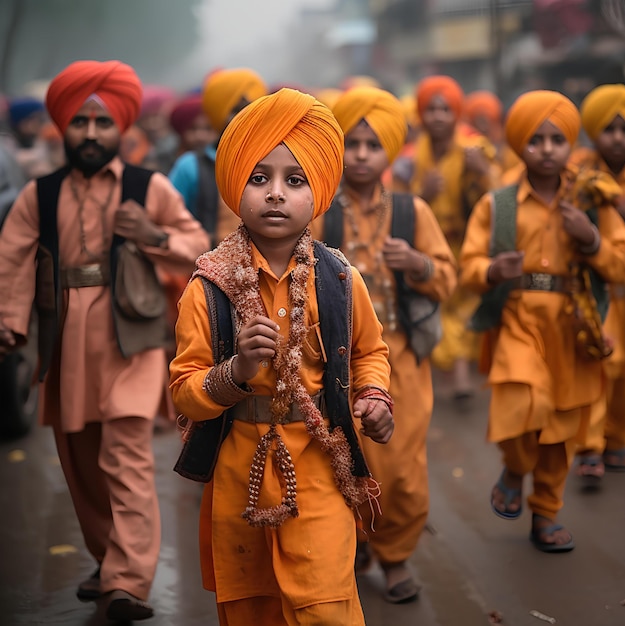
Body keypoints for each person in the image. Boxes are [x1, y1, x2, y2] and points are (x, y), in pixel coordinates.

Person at [169, 87, 394, 625]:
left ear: (317, 191)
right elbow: (185, 394)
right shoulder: (209, 287)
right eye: (259, 178)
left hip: (319, 470)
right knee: (254, 612)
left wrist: (375, 396)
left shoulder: (340, 278)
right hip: (236, 479)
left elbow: (370, 351)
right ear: (235, 187)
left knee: (326, 610)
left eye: (294, 181)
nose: (275, 194)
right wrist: (236, 372)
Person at [0, 60, 209, 621]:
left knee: (127, 456)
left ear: (122, 128)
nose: (91, 134)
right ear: (62, 129)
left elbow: (199, 246)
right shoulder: (37, 197)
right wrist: (9, 320)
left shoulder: (149, 187)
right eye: (79, 123)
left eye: (102, 123)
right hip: (64, 345)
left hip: (131, 345)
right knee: (81, 463)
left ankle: (127, 581)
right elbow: (12, 260)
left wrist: (154, 234)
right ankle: (110, 559)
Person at [459, 90, 625, 552]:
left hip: (574, 328)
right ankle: (514, 467)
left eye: (557, 139)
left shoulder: (593, 200)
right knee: (522, 405)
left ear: (571, 143)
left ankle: (546, 513)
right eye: (536, 140)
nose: (547, 149)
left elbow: (620, 262)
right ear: (518, 144)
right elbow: (468, 267)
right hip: (518, 319)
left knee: (561, 427)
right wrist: (493, 270)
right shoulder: (499, 205)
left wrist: (591, 239)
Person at [311, 86, 456, 603]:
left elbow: (448, 278)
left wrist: (417, 264)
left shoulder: (412, 213)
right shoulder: (321, 211)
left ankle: (394, 556)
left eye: (374, 145)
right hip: (338, 361)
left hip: (404, 360)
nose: (363, 155)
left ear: (390, 151)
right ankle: (354, 546)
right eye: (353, 144)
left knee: (401, 468)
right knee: (341, 459)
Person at [404, 76, 500, 402]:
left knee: (462, 309)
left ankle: (459, 377)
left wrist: (483, 171)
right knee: (438, 309)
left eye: (446, 109)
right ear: (421, 113)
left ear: (457, 112)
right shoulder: (410, 157)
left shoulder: (474, 147)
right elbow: (397, 204)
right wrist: (423, 194)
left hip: (465, 243)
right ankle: (449, 376)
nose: (439, 116)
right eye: (431, 109)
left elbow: (498, 198)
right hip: (427, 246)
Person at [570, 84, 625, 479]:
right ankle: (590, 445)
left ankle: (617, 439)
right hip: (601, 289)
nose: (618, 139)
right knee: (603, 359)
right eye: (609, 129)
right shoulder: (581, 173)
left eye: (624, 129)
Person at [168, 67, 266, 246]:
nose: (245, 118)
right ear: (218, 115)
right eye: (236, 110)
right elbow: (168, 222)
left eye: (252, 109)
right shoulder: (191, 166)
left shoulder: (277, 163)